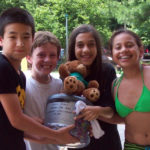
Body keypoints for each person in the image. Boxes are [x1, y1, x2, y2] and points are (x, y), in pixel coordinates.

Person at [0, 7, 78, 150]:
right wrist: (56, 136)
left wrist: (43, 137)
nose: (20, 43)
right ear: (1, 40)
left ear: (31, 39)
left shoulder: (19, 76)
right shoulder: (2, 67)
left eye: (25, 37)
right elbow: (16, 119)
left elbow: (11, 126)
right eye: (12, 36)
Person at [67, 24, 122, 150]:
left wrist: (98, 111)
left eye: (91, 44)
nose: (86, 50)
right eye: (80, 45)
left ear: (97, 47)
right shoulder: (68, 75)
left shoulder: (107, 70)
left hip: (107, 143)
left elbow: (112, 111)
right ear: (73, 48)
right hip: (78, 144)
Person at [110, 28, 150, 150]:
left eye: (129, 45)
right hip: (131, 146)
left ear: (141, 50)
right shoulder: (115, 85)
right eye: (118, 47)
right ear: (112, 55)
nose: (123, 50)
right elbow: (124, 119)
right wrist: (97, 113)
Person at [24, 31, 63, 150]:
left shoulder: (60, 86)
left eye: (52, 55)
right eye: (41, 55)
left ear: (58, 58)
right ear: (29, 57)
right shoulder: (22, 86)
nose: (47, 60)